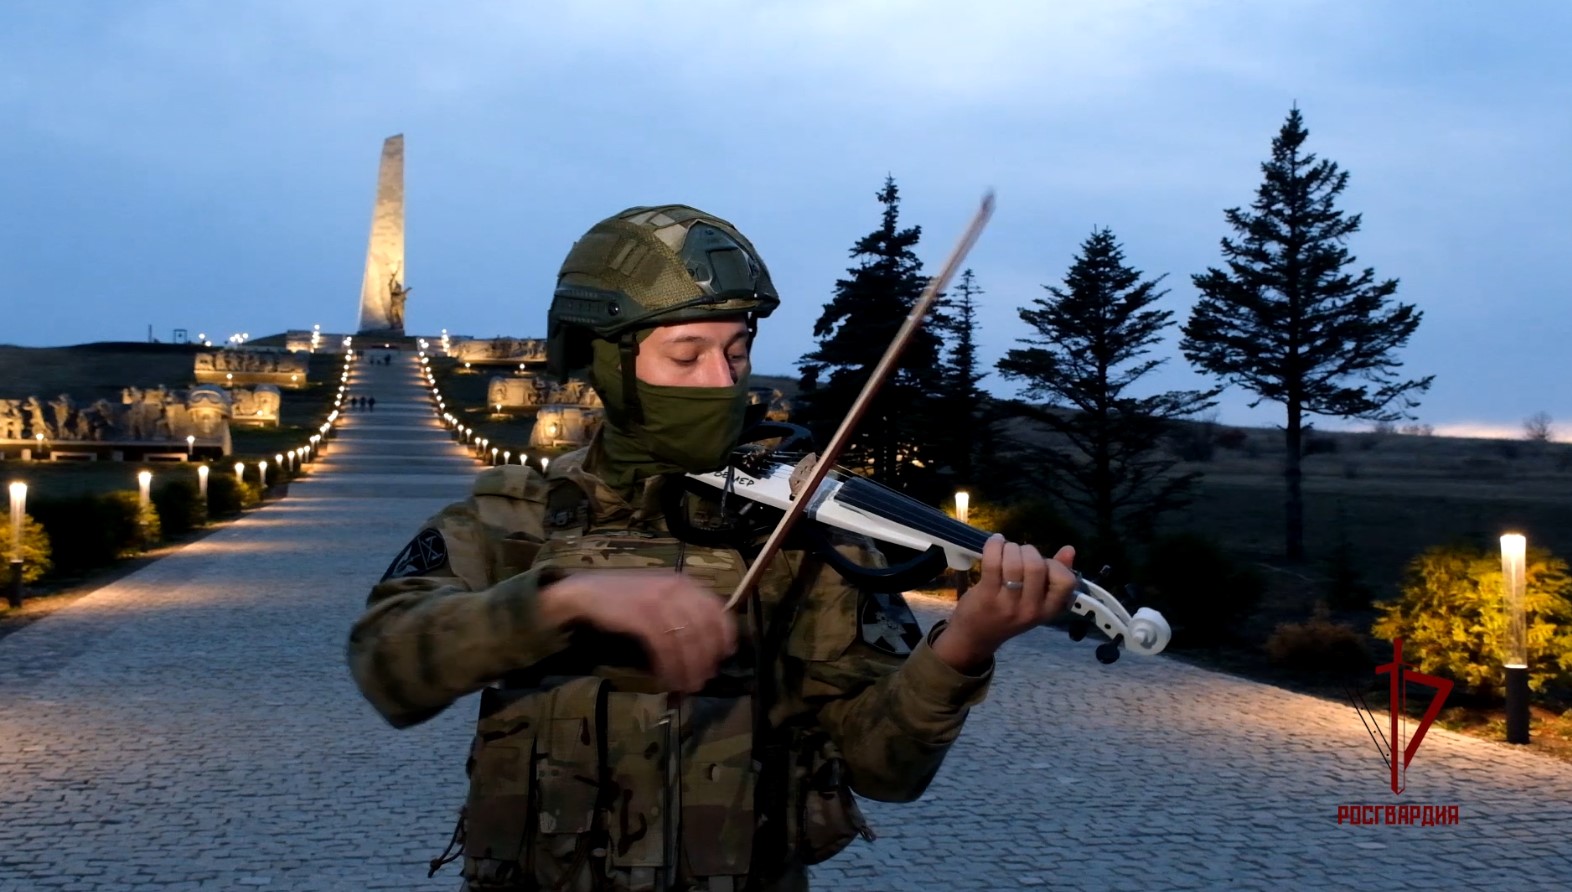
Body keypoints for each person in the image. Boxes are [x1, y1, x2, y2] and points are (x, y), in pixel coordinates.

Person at [346, 205, 1077, 891]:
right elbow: (386, 663)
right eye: (687, 355)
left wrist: (963, 649)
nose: (722, 383)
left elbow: (884, 768)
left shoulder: (800, 534)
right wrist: (557, 601)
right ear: (606, 364)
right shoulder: (517, 519)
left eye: (737, 352)